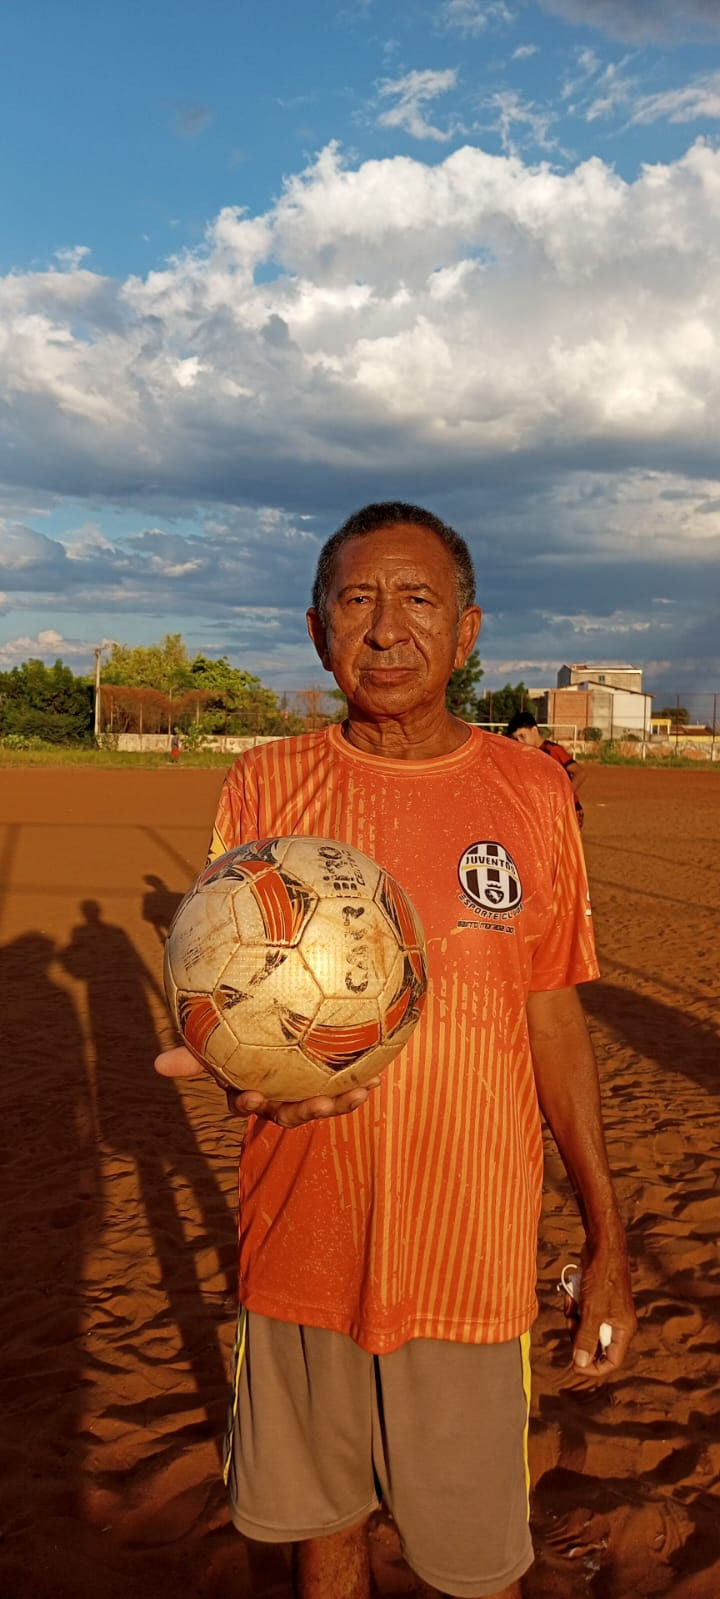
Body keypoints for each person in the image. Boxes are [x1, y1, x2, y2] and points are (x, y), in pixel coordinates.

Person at [156, 501, 636, 1599]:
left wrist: (609, 1237)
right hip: (297, 1250)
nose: (386, 629)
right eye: (357, 600)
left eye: (418, 599)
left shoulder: (533, 792)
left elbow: (553, 1015)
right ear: (318, 627)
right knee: (320, 1534)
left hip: (469, 1263)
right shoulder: (264, 787)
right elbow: (221, 985)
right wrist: (238, 1070)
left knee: (473, 1568)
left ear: (468, 631)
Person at [505, 710, 584, 828]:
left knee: (565, 846)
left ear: (534, 730)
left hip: (568, 811)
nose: (520, 742)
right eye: (516, 739)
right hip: (546, 813)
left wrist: (563, 798)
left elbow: (580, 773)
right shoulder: (526, 755)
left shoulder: (553, 750)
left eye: (523, 736)